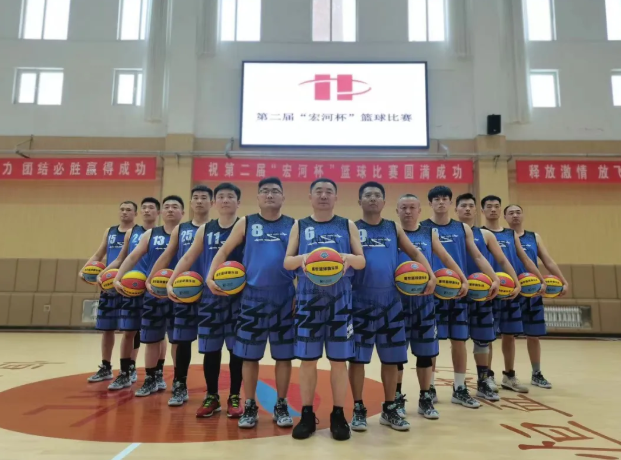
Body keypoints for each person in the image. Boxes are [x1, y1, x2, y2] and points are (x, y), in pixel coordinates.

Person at [205, 177, 296, 429]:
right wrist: (210, 277)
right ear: (257, 197)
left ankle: (281, 404)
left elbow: (299, 262)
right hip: (252, 298)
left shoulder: (293, 225)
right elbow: (223, 251)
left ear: (283, 197)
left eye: (275, 191)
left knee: (284, 357)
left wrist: (298, 294)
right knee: (249, 356)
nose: (270, 195)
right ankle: (250, 404)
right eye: (265, 191)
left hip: (284, 297)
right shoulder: (246, 222)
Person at [349, 183, 437, 432]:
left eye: (377, 195)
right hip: (360, 301)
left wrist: (430, 275)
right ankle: (358, 408)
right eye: (368, 195)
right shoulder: (352, 228)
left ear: (384, 202)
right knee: (357, 360)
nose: (373, 198)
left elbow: (415, 254)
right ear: (360, 201)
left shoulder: (392, 227)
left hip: (390, 302)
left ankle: (389, 408)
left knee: (391, 359)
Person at [284, 178, 366, 441]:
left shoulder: (347, 224)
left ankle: (338, 415)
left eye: (329, 191)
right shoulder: (300, 225)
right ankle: (307, 415)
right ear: (310, 197)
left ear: (336, 197)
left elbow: (361, 261)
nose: (323, 195)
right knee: (308, 360)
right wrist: (305, 259)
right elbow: (287, 262)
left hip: (340, 298)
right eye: (318, 191)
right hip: (308, 297)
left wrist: (346, 258)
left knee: (339, 360)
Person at [167, 183, 244, 419]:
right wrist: (171, 281)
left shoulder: (245, 227)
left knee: (237, 351)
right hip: (210, 297)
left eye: (230, 196)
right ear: (215, 202)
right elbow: (188, 257)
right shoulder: (206, 229)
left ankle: (234, 396)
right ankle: (212, 396)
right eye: (221, 196)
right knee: (211, 350)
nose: (225, 200)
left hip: (238, 298)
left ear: (238, 202)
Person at [421, 185, 500, 409]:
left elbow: (478, 256)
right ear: (430, 203)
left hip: (458, 293)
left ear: (450, 203)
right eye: (436, 199)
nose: (441, 202)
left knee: (459, 341)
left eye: (445, 198)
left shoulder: (462, 228)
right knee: (430, 343)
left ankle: (459, 388)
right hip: (431, 294)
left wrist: (494, 278)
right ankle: (429, 387)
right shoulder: (423, 228)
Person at [395, 193, 468, 420]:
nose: (408, 211)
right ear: (397, 211)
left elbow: (446, 258)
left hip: (424, 301)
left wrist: (462, 278)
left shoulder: (428, 233)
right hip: (397, 302)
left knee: (425, 353)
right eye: (403, 208)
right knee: (396, 354)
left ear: (419, 210)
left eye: (412, 207)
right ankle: (396, 398)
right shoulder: (392, 233)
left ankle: (425, 397)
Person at [144, 186, 213, 405]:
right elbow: (167, 255)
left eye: (204, 198)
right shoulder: (181, 230)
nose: (199, 201)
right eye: (195, 198)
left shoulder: (218, 228)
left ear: (211, 202)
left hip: (213, 294)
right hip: (185, 292)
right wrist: (150, 277)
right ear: (190, 203)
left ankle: (214, 392)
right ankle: (179, 384)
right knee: (182, 341)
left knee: (213, 346)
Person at [114, 195, 185, 396]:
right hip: (153, 294)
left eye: (175, 206)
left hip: (179, 295)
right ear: (162, 212)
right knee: (152, 339)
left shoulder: (189, 234)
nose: (170, 209)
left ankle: (178, 382)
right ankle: (151, 378)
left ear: (182, 212)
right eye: (167, 206)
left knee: (177, 341)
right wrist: (118, 277)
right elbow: (132, 256)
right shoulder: (150, 234)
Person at [454, 193, 522, 400]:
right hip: (455, 293)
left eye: (471, 205)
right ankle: (444, 387)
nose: (467, 209)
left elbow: (502, 260)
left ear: (477, 210)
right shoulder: (447, 233)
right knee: (456, 340)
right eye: (463, 205)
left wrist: (515, 281)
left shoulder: (485, 235)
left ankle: (484, 380)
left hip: (481, 294)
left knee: (482, 339)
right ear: (456, 210)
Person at [480, 195, 546, 393]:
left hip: (511, 291)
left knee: (509, 335)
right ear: (482, 211)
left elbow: (525, 259)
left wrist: (541, 279)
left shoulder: (511, 234)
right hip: (488, 291)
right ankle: (487, 377)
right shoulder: (478, 234)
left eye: (496, 206)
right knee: (487, 337)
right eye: (489, 206)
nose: (493, 209)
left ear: (500, 210)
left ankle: (509, 375)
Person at [505, 204, 569, 389]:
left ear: (523, 215)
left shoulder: (534, 237)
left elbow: (548, 260)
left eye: (518, 212)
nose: (515, 215)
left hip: (533, 292)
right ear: (505, 217)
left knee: (533, 335)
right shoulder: (502, 237)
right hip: (511, 291)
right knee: (508, 335)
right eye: (511, 213)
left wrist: (563, 281)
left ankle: (536, 373)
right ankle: (509, 374)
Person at [106, 197, 161, 390]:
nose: (147, 210)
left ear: (158, 212)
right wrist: (107, 275)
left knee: (157, 335)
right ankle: (125, 372)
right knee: (128, 331)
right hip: (132, 287)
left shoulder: (162, 233)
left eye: (151, 207)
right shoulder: (132, 232)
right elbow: (123, 258)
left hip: (154, 289)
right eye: (144, 207)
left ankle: (157, 373)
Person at [82, 201, 137, 383]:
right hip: (108, 286)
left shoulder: (139, 233)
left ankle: (130, 367)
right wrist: (85, 269)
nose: (124, 212)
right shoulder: (110, 231)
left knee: (131, 330)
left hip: (129, 285)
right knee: (107, 329)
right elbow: (99, 254)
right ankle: (106, 367)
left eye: (128, 210)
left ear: (135, 214)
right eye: (122, 209)